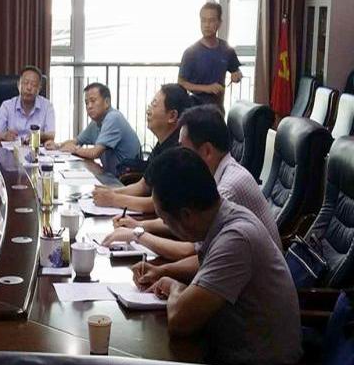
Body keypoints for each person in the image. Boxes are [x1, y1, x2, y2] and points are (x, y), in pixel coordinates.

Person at [142, 148, 301, 365]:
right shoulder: (222, 215)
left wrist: (176, 287)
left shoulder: (236, 238)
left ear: (186, 215)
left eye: (165, 220)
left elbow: (180, 321)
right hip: (242, 363)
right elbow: (205, 261)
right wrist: (163, 271)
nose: (166, 226)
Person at [106, 105, 281, 270]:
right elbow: (184, 223)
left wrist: (138, 235)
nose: (180, 153)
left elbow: (191, 251)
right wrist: (140, 225)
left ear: (207, 151)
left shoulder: (228, 188)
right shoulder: (219, 174)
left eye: (183, 147)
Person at [89, 84, 192, 213]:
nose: (148, 111)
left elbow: (158, 204)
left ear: (172, 116)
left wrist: (113, 199)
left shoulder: (178, 152)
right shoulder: (162, 145)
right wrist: (111, 192)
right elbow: (143, 186)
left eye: (154, 105)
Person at [47, 82, 140, 176]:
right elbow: (77, 141)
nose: (89, 106)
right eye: (86, 103)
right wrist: (58, 146)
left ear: (107, 102)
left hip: (126, 179)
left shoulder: (113, 118)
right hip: (111, 175)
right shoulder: (96, 122)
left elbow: (94, 153)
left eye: (93, 101)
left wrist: (74, 150)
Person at [178, 2, 242, 107]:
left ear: (219, 23)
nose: (207, 25)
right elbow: (181, 82)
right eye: (203, 20)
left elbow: (236, 71)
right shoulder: (191, 52)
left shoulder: (226, 49)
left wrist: (237, 75)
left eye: (211, 20)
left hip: (217, 108)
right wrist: (207, 88)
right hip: (194, 109)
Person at [0, 65, 55, 144]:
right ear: (18, 85)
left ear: (39, 89)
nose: (29, 88)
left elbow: (51, 135)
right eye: (25, 83)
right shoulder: (7, 106)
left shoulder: (47, 106)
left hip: (35, 149)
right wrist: (4, 136)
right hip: (12, 149)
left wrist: (39, 135)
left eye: (34, 84)